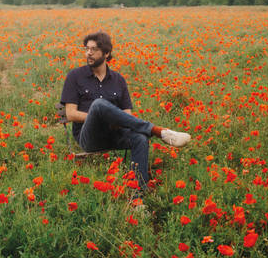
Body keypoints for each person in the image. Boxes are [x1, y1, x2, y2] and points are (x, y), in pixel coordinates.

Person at [60, 31, 190, 194]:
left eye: (94, 49)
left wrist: (114, 120)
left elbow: (127, 116)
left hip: (114, 135)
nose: (88, 53)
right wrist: (100, 117)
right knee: (99, 105)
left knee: (140, 138)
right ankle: (157, 131)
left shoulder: (118, 80)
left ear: (106, 53)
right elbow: (70, 114)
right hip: (89, 137)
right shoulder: (75, 76)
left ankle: (137, 196)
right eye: (87, 49)